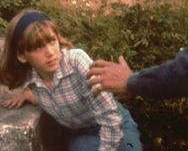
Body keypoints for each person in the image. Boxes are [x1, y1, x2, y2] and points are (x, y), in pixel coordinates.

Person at [0, 8, 142, 151]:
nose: (50, 52)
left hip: (116, 124)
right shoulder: (29, 79)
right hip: (82, 135)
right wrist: (28, 94)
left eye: (52, 41)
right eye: (38, 48)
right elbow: (54, 96)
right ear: (22, 56)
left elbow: (109, 115)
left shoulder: (76, 62)